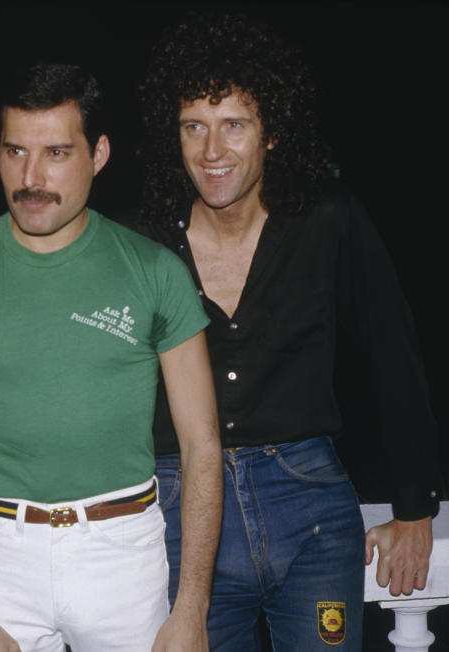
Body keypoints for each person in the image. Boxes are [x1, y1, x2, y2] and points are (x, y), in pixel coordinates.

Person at [135, 13, 442, 651]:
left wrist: (415, 505)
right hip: (180, 512)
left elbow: (394, 357)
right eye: (194, 127)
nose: (211, 151)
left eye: (234, 126)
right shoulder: (144, 239)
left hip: (312, 513)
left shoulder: (327, 219)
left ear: (272, 132)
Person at [0, 63, 222, 652]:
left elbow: (203, 448)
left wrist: (192, 608)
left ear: (98, 154)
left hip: (123, 552)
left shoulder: (155, 272)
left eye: (56, 152)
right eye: (15, 151)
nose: (31, 177)